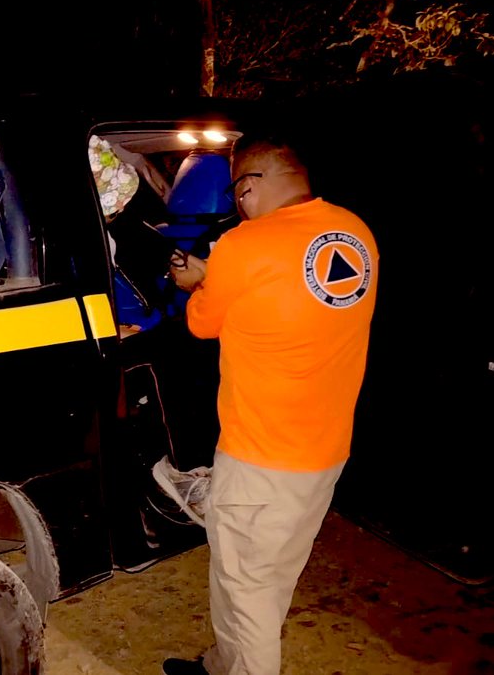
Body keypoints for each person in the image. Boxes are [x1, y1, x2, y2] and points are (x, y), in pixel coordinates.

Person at [158, 131, 379, 675]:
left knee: (246, 590)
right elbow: (286, 293)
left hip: (261, 457)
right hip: (324, 451)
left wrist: (196, 283)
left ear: (249, 186)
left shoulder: (243, 244)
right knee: (270, 576)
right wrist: (220, 278)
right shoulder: (354, 232)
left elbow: (201, 324)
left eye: (238, 192)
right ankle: (221, 665)